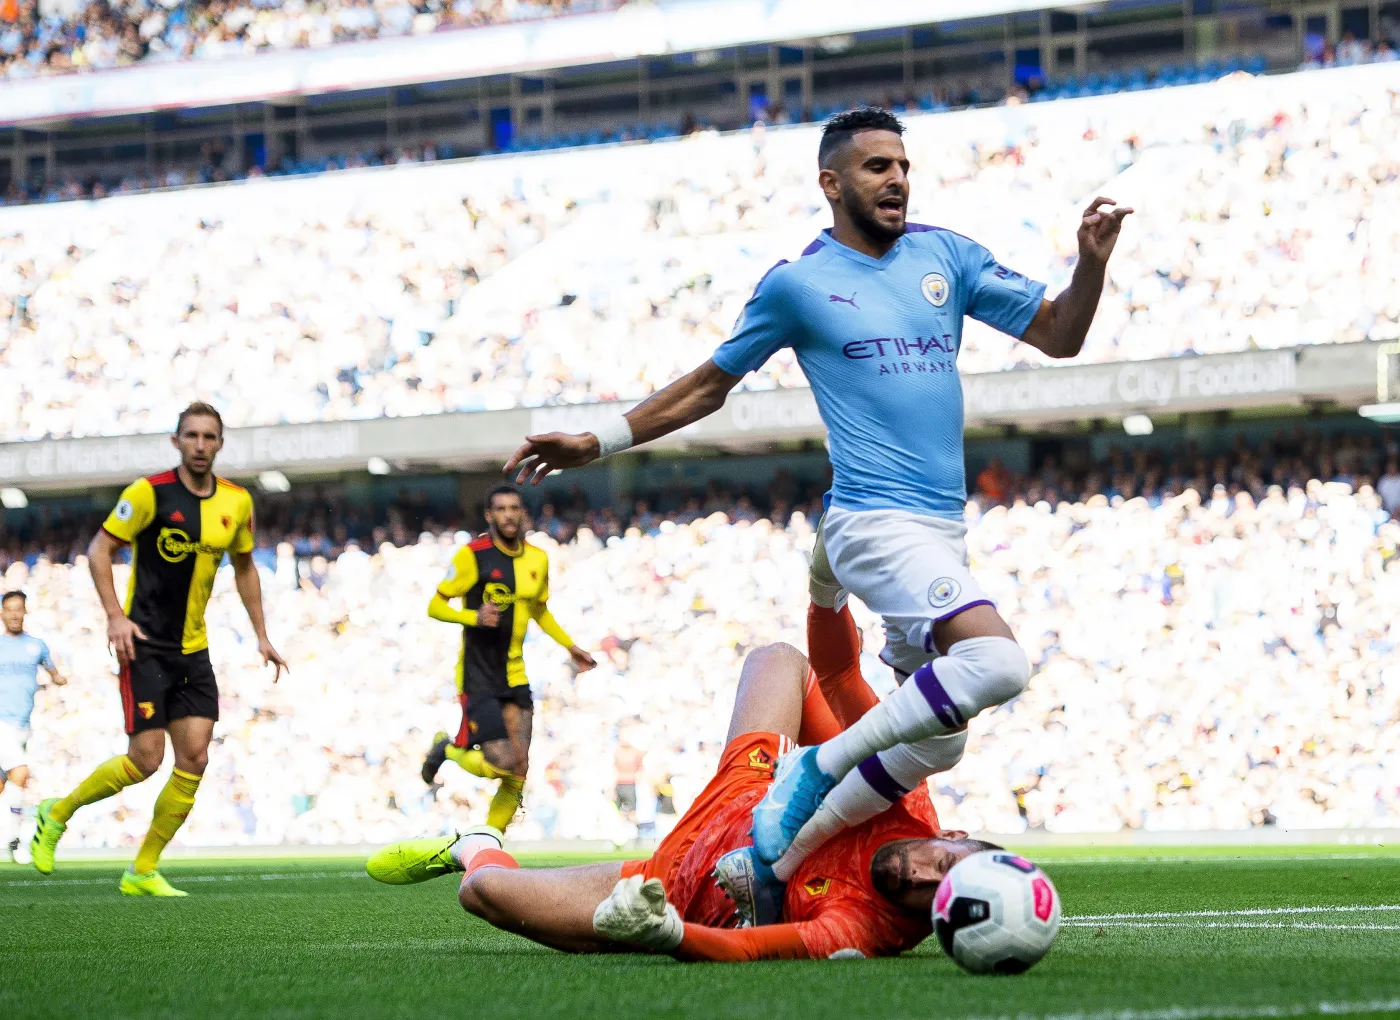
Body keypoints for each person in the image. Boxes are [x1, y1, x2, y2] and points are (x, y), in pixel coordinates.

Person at [502, 106, 1131, 875]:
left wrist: (1091, 265)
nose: (897, 179)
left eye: (902, 165)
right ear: (832, 183)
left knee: (941, 739)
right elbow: (709, 386)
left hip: (938, 529)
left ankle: (773, 862)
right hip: (872, 520)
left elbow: (1060, 334)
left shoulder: (948, 257)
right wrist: (600, 441)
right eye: (877, 167)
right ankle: (816, 768)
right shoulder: (799, 286)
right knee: (997, 666)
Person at [365, 635, 995, 961]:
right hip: (749, 785)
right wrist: (825, 586)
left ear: (929, 920)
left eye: (926, 892)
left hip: (668, 886)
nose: (916, 873)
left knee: (481, 894)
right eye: (938, 863)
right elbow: (838, 677)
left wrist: (666, 932)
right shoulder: (910, 803)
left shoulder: (871, 925)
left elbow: (743, 949)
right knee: (776, 659)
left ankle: (474, 844)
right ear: (954, 837)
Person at [29, 402, 288, 895]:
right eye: (191, 436)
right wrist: (114, 617)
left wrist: (261, 634)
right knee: (146, 760)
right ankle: (56, 812)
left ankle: (142, 870)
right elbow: (99, 549)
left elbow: (246, 567)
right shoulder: (148, 493)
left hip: (193, 649)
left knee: (194, 759)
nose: (200, 445)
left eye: (209, 437)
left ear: (220, 443)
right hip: (144, 645)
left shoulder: (237, 502)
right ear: (176, 442)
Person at [420, 484, 596, 834]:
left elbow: (539, 610)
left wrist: (569, 646)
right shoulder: (472, 555)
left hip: (515, 673)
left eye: (514, 508)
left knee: (519, 770)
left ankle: (489, 843)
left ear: (523, 513)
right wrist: (473, 617)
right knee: (501, 762)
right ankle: (447, 749)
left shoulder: (537, 559)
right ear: (489, 515)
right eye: (500, 509)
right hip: (478, 674)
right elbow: (435, 606)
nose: (509, 515)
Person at [0, 590, 67, 860]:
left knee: (4, 786)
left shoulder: (37, 646)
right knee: (20, 773)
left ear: (25, 611)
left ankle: (9, 839)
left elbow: (53, 672)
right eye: (9, 609)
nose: (15, 614)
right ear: (2, 613)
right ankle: (13, 840)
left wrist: (59, 679)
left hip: (22, 726)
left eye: (19, 608)